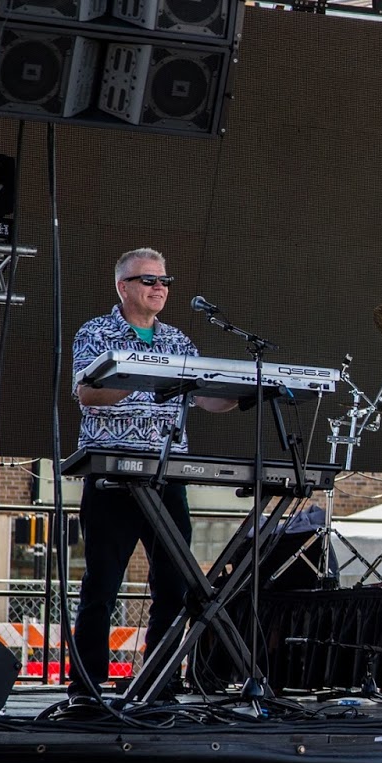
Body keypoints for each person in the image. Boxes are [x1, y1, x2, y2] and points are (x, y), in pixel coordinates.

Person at [68, 248, 238, 701]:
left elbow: (205, 398)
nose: (159, 287)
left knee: (174, 583)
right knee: (102, 582)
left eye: (165, 280)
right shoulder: (97, 332)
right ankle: (86, 685)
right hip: (113, 473)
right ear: (123, 286)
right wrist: (144, 378)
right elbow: (87, 394)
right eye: (149, 280)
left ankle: (159, 681)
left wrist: (245, 392)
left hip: (166, 473)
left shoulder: (177, 340)